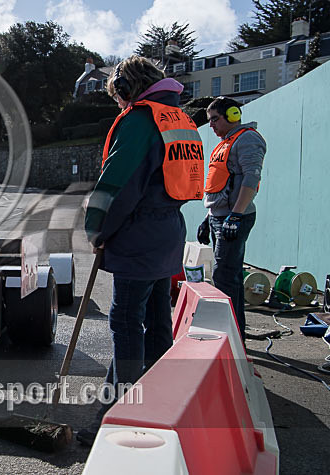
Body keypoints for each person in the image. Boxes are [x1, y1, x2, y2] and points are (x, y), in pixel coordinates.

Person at [78, 55, 204, 446]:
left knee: (126, 323)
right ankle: (159, 400)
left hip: (139, 235)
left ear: (129, 89)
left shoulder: (138, 120)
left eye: (118, 95)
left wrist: (96, 230)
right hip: (168, 234)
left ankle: (119, 413)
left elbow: (117, 184)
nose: (119, 103)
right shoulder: (178, 119)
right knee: (156, 321)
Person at [197, 96, 266, 341]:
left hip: (233, 218)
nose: (212, 125)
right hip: (221, 217)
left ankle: (230, 337)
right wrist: (209, 217)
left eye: (215, 119)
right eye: (210, 120)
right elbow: (220, 182)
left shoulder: (247, 138)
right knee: (228, 275)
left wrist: (236, 215)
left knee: (225, 276)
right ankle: (235, 334)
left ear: (234, 115)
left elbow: (251, 179)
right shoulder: (226, 142)